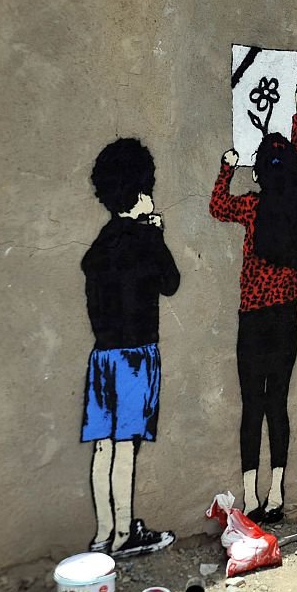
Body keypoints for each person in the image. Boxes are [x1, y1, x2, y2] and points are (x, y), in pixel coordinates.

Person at [210, 83, 297, 524]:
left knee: (252, 405)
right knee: (278, 405)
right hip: (285, 319)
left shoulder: (252, 207)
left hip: (252, 320)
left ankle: (250, 497)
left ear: (259, 173)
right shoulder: (293, 202)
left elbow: (216, 206)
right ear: (289, 171)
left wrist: (225, 168)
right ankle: (277, 493)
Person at [82, 137, 180, 557]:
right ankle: (125, 534)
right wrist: (156, 235)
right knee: (126, 446)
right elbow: (171, 283)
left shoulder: (99, 247)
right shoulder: (145, 241)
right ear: (141, 193)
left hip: (101, 357)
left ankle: (103, 532)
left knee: (103, 445)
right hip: (136, 358)